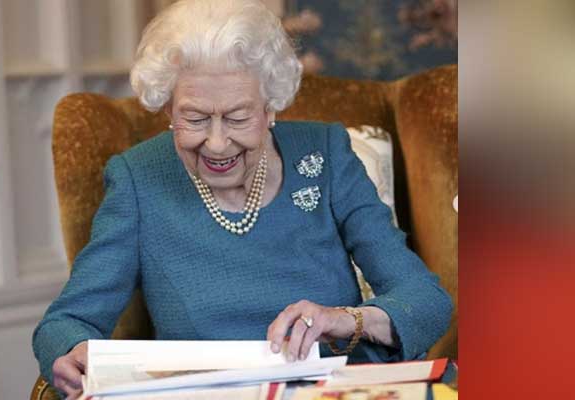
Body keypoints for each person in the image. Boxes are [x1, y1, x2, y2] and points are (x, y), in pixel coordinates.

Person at [32, 0, 453, 398]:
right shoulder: (139, 178)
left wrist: (343, 320)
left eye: (238, 117)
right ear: (168, 111)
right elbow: (66, 321)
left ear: (271, 106)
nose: (217, 144)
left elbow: (424, 300)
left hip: (332, 389)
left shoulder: (324, 154)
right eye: (195, 118)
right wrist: (72, 351)